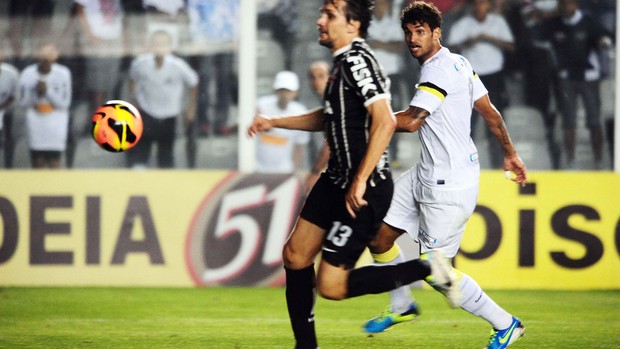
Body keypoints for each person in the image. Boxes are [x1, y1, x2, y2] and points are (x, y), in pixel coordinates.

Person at [247, 1, 457, 347]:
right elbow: (329, 117)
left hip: (363, 187)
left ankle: (427, 267)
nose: (320, 20)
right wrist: (274, 121)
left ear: (353, 24)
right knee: (295, 256)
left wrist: (360, 179)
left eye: (329, 15)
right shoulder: (342, 62)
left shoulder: (359, 61)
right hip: (336, 180)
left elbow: (386, 119)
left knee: (331, 286)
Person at [360, 3, 527, 349]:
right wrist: (510, 154)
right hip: (427, 172)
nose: (411, 39)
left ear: (437, 32)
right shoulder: (460, 62)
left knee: (435, 271)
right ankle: (402, 305)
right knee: (377, 236)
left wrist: (366, 117)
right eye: (408, 32)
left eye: (420, 31)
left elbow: (412, 119)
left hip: (449, 185)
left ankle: (507, 323)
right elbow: (491, 114)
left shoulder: (438, 71)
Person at [537, 0, 614, 169]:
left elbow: (606, 38)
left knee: (594, 120)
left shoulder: (588, 22)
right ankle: (570, 161)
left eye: (569, 4)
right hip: (566, 77)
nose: (566, 7)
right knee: (568, 121)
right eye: (562, 4)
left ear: (576, 5)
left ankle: (599, 161)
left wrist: (603, 43)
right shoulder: (554, 24)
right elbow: (538, 38)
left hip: (588, 76)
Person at [447, 0, 515, 169]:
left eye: (482, 4)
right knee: (467, 122)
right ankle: (462, 165)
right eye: (476, 4)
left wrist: (490, 39)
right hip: (471, 78)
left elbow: (511, 46)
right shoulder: (463, 24)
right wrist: (467, 42)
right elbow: (450, 48)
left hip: (494, 76)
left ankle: (499, 163)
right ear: (471, 7)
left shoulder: (498, 22)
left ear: (488, 6)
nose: (479, 8)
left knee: (495, 121)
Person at [126, 30, 198, 169]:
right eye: (156, 44)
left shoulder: (178, 66)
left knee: (165, 156)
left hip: (169, 116)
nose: (160, 47)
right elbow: (133, 78)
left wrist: (191, 108)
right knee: (140, 154)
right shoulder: (141, 63)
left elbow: (194, 83)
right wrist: (134, 102)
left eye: (164, 44)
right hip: (147, 112)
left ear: (170, 47)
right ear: (151, 46)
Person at [18, 43, 72, 169]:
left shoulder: (63, 73)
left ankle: (56, 188)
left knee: (54, 163)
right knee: (38, 162)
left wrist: (47, 92)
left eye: (49, 55)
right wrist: (36, 94)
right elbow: (23, 103)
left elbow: (65, 104)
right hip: (35, 123)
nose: (46, 60)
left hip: (56, 124)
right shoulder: (27, 73)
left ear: (55, 56)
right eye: (43, 56)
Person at [368, 0, 407, 169]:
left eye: (382, 5)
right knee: (373, 117)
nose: (379, 8)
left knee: (395, 115)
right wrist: (387, 45)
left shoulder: (394, 25)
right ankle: (374, 156)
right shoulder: (366, 25)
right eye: (377, 5)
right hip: (371, 76)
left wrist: (378, 44)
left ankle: (395, 155)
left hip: (392, 75)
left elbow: (401, 47)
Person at [255, 71, 310, 173]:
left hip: (284, 170)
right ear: (275, 90)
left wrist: (295, 172)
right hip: (257, 168)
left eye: (288, 91)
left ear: (296, 93)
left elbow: (299, 146)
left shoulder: (300, 113)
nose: (284, 95)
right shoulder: (261, 106)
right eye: (281, 90)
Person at [304, 60, 331, 193]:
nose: (316, 82)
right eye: (312, 77)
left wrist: (315, 171)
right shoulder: (326, 101)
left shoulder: (335, 100)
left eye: (321, 76)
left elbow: (331, 143)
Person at [0, 55, 19, 168]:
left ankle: (9, 166)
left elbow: (16, 95)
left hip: (7, 110)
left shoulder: (11, 73)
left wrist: (3, 105)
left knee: (8, 139)